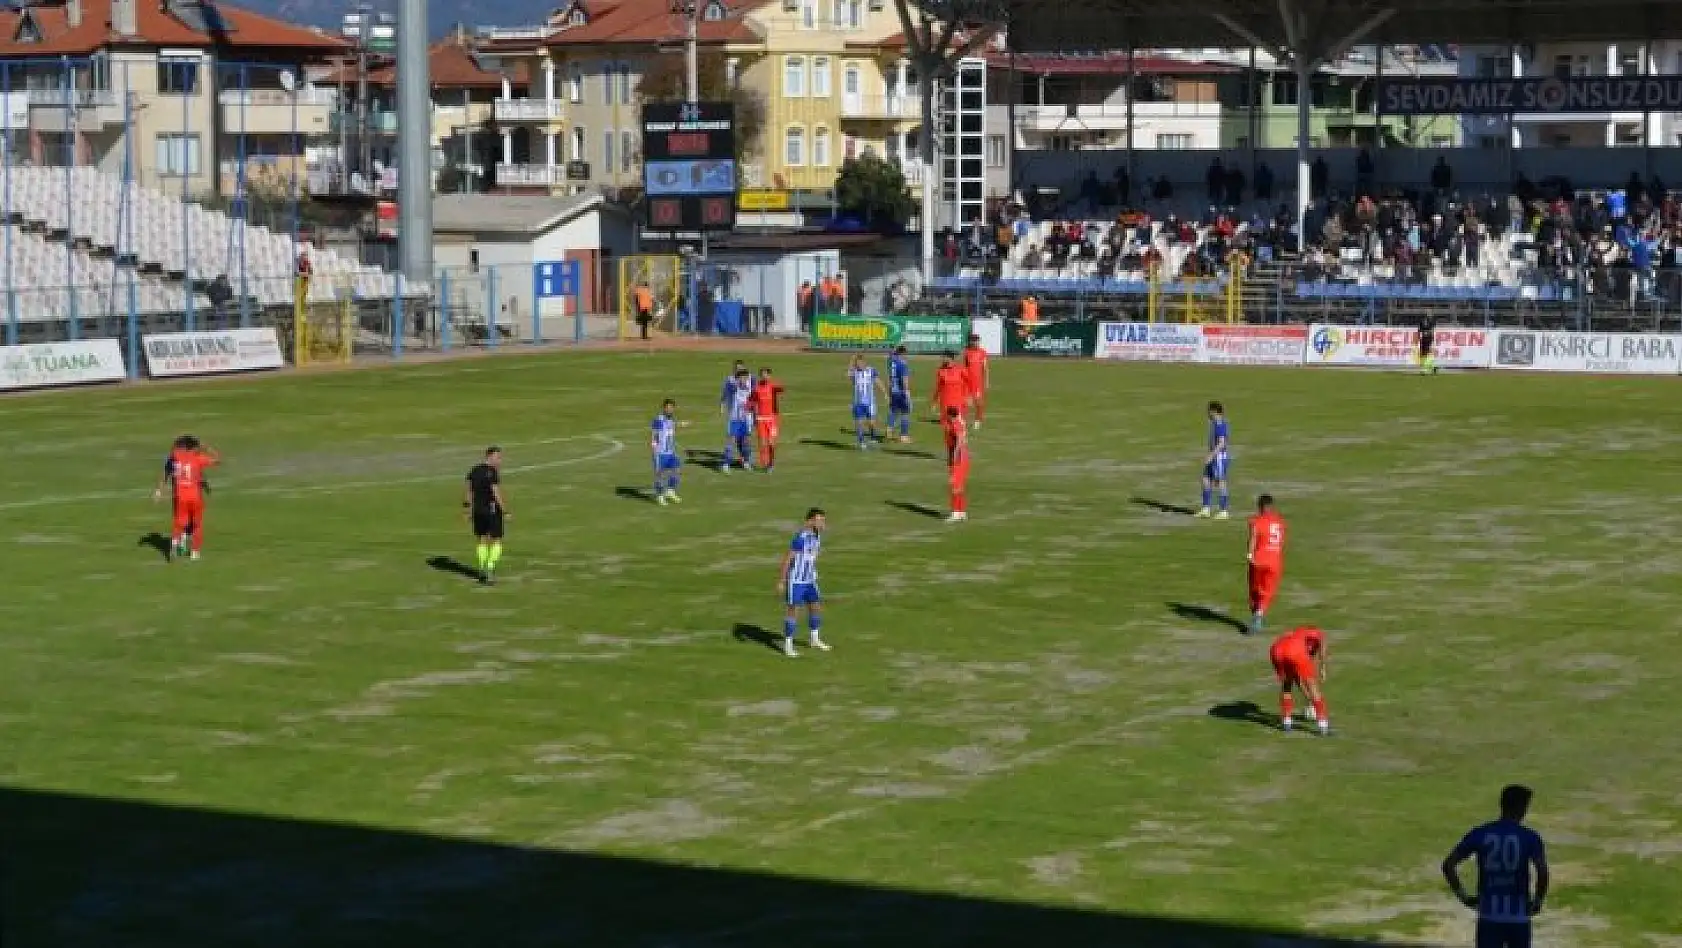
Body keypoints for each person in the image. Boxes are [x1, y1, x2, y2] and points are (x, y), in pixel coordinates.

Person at [1442, 785, 1550, 948]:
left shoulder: (1481, 833)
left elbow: (1448, 865)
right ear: (1522, 807)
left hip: (1489, 915)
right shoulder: (1530, 837)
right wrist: (1537, 901)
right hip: (1518, 917)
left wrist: (1463, 896)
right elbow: (1542, 872)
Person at [153, 434, 219, 561]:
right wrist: (207, 448)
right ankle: (193, 551)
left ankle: (176, 544)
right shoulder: (197, 457)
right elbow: (215, 461)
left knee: (179, 521)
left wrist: (159, 491)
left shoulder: (174, 457)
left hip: (180, 494)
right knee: (196, 523)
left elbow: (166, 472)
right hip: (194, 495)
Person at [776, 507, 830, 658]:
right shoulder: (801, 537)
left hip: (809, 580)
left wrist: (813, 570)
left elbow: (812, 555)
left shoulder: (817, 536)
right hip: (797, 580)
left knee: (816, 607)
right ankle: (788, 645)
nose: (823, 523)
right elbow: (788, 559)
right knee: (793, 610)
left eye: (823, 520)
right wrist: (782, 580)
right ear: (811, 520)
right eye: (820, 520)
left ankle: (814, 639)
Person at [1268, 625, 1329, 734]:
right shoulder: (1319, 635)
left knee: (1286, 685)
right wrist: (1322, 668)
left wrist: (1307, 698)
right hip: (1294, 650)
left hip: (1276, 649)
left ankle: (1286, 723)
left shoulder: (1297, 634)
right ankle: (1323, 726)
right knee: (1312, 686)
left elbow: (1297, 679)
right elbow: (1322, 652)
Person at [464, 446, 508, 585]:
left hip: (477, 510)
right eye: (498, 457)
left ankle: (482, 569)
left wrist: (468, 510)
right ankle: (489, 569)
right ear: (489, 456)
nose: (500, 461)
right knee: (497, 540)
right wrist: (505, 511)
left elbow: (469, 492)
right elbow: (495, 492)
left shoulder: (474, 470)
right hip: (492, 510)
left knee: (482, 539)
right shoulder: (492, 472)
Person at [1246, 494, 1286, 635]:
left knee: (1254, 589)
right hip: (1275, 560)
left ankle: (1256, 617)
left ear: (1260, 506)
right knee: (1268, 592)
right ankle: (1259, 615)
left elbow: (1253, 538)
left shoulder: (1256, 521)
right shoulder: (1280, 522)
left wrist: (1249, 554)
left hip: (1259, 559)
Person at [718, 362, 754, 472]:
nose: (742, 379)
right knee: (731, 440)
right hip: (734, 418)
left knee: (746, 441)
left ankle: (746, 461)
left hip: (746, 418)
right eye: (740, 376)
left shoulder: (750, 383)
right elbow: (725, 393)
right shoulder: (732, 384)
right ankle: (726, 463)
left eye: (744, 376)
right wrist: (722, 406)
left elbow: (755, 397)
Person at [1198, 400, 1231, 520]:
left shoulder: (1220, 424)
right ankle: (1206, 508)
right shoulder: (1215, 423)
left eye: (1208, 411)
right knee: (1205, 479)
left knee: (1220, 482)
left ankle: (1223, 510)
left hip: (1219, 458)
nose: (1207, 413)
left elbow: (1222, 443)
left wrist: (1211, 455)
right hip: (1214, 457)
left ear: (1213, 411)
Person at [848, 354, 887, 448]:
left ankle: (873, 437)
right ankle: (861, 441)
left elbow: (878, 381)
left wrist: (885, 392)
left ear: (864, 362)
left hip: (870, 402)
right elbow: (849, 373)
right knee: (859, 422)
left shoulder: (871, 370)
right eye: (857, 363)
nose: (859, 365)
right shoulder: (854, 372)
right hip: (858, 402)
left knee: (871, 422)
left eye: (860, 363)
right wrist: (852, 359)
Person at [749, 368, 785, 473]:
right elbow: (751, 400)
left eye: (766, 375)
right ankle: (765, 463)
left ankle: (771, 462)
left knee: (771, 443)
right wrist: (750, 410)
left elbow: (782, 388)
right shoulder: (757, 388)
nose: (764, 376)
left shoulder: (773, 386)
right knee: (762, 443)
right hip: (760, 419)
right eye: (762, 375)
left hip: (772, 418)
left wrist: (773, 383)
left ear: (769, 375)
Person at [650, 399, 684, 505]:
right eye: (668, 408)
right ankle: (659, 496)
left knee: (677, 470)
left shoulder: (670, 420)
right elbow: (654, 435)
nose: (669, 410)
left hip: (671, 453)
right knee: (660, 475)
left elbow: (670, 434)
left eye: (671, 408)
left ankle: (670, 491)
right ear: (664, 408)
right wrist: (655, 450)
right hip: (660, 453)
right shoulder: (658, 420)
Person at [944, 406, 970, 522]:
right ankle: (962, 512)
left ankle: (955, 513)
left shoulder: (955, 424)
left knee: (954, 486)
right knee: (960, 487)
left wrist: (954, 455)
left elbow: (959, 440)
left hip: (959, 459)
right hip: (964, 458)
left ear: (950, 415)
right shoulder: (960, 422)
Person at [962, 333, 989, 430]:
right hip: (967, 382)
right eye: (974, 341)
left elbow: (985, 368)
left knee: (979, 403)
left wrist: (986, 381)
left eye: (978, 341)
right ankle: (962, 421)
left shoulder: (982, 353)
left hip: (978, 382)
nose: (976, 343)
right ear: (971, 342)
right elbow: (964, 367)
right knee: (966, 403)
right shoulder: (966, 352)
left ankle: (978, 421)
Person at [886, 345, 913, 443]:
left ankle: (889, 430)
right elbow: (904, 380)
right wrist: (907, 393)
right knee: (905, 413)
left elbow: (890, 356)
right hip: (901, 392)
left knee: (893, 411)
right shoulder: (902, 365)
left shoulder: (892, 363)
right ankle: (904, 436)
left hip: (893, 391)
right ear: (902, 353)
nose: (907, 356)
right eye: (906, 354)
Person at [933, 350, 968, 425]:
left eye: (944, 357)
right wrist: (935, 401)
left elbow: (967, 383)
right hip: (945, 400)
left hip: (958, 400)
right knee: (945, 423)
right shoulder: (941, 370)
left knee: (958, 422)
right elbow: (939, 387)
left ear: (950, 358)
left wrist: (967, 397)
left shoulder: (960, 369)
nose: (942, 359)